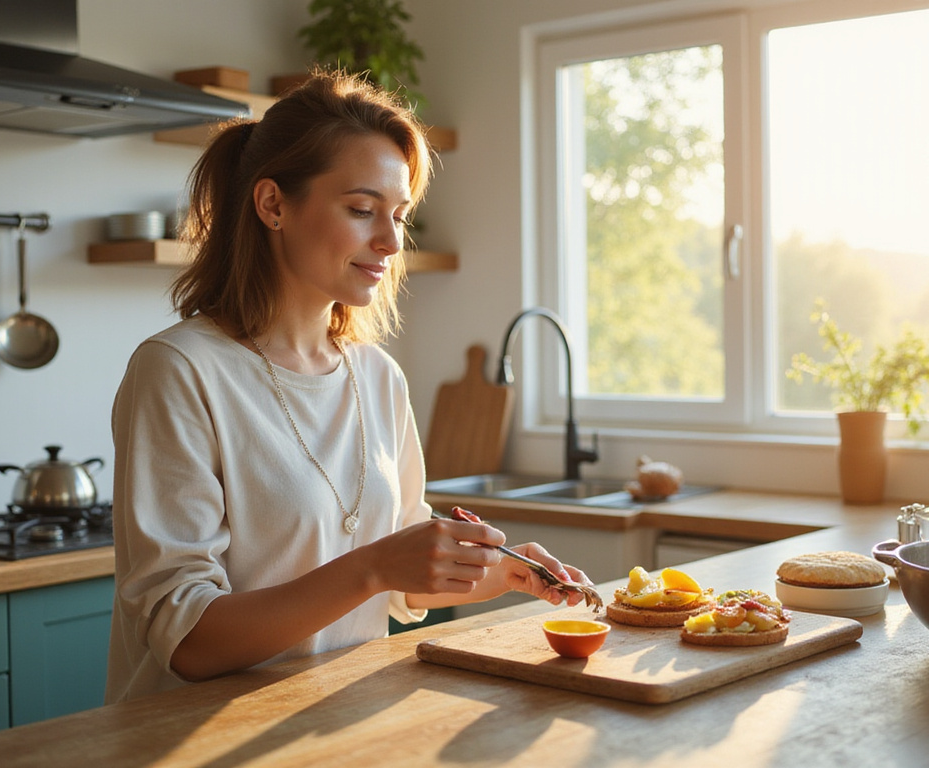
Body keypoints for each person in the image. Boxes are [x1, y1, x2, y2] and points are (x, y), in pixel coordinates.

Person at [105, 71, 592, 704]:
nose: (391, 242)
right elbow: (189, 640)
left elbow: (401, 577)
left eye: (399, 215)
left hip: (328, 723)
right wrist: (374, 567)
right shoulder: (179, 370)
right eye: (362, 211)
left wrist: (501, 572)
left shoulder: (377, 376)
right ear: (273, 204)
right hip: (187, 739)